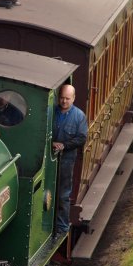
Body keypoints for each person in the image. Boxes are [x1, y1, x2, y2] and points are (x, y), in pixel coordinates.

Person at [52, 84, 87, 235]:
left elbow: (81, 139)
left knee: (63, 195)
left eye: (67, 98)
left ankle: (62, 227)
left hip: (67, 159)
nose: (64, 101)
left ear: (73, 98)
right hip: (49, 157)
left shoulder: (79, 116)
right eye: (62, 98)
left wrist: (64, 146)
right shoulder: (51, 113)